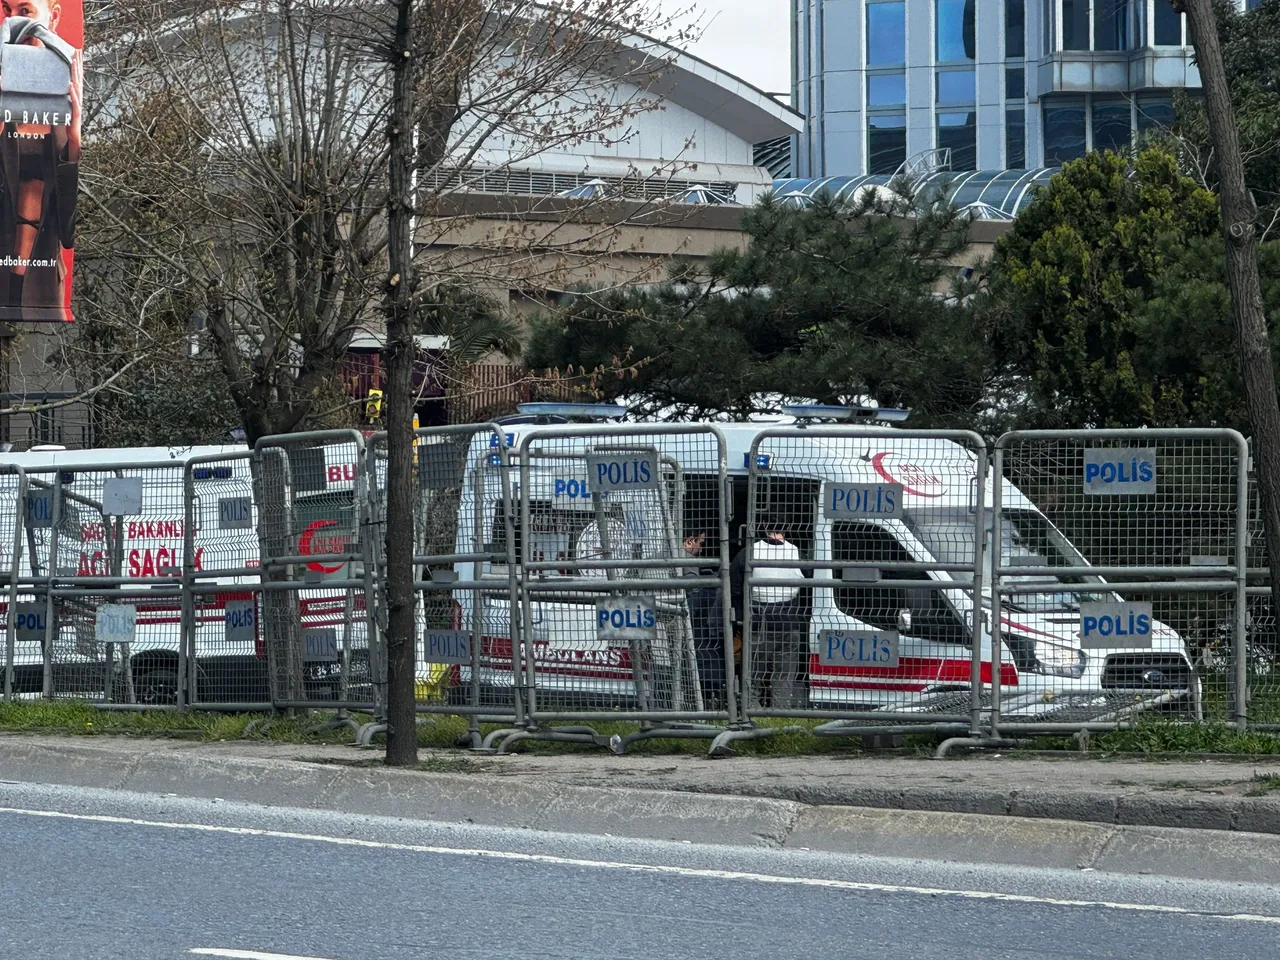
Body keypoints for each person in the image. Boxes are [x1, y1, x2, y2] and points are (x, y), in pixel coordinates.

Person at [0, 0, 82, 322]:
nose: (15, 22)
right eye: (8, 12)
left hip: (43, 286)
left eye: (25, 11)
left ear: (55, 16)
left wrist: (74, 141)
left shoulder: (66, 95)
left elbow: (70, 231)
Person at [731, 521, 808, 709]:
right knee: (783, 678)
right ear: (788, 527)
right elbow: (811, 588)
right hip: (789, 622)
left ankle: (750, 716)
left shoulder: (749, 552)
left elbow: (733, 589)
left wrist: (740, 620)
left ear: (764, 527)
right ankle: (779, 717)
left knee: (753, 678)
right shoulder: (798, 554)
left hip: (758, 622)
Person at [681, 531, 725, 709]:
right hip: (685, 622)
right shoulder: (689, 563)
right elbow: (693, 596)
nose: (702, 547)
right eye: (701, 542)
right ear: (690, 541)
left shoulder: (658, 556)